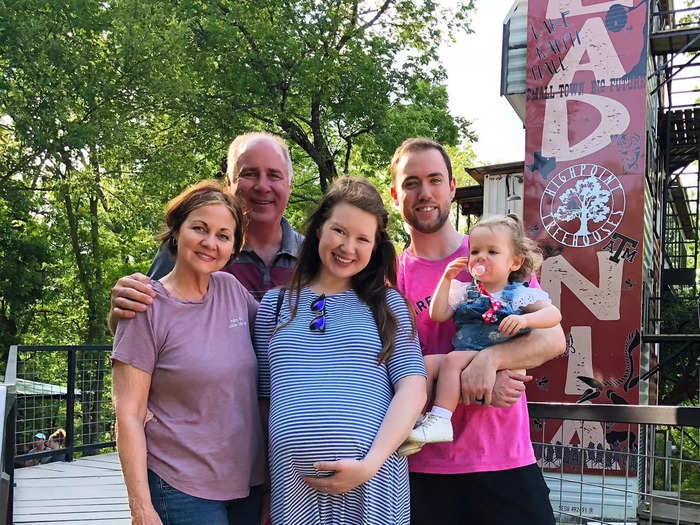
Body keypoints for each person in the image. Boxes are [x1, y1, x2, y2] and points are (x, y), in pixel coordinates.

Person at [390, 138, 565, 524]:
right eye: (411, 182)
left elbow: (553, 337)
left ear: (451, 187)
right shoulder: (389, 274)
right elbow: (382, 370)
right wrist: (471, 378)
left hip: (503, 459)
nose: (424, 193)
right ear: (394, 193)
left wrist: (492, 360)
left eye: (435, 179)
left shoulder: (493, 251)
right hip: (421, 469)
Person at [253, 177, 427, 524]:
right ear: (319, 229)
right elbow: (264, 403)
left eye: (363, 238)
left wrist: (369, 464)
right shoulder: (274, 305)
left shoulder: (387, 304)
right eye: (340, 231)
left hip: (373, 483)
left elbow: (413, 388)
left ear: (375, 246)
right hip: (293, 490)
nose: (349, 247)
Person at [112, 181, 264, 525]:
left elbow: (284, 337)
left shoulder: (233, 291)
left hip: (247, 484)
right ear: (176, 231)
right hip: (179, 485)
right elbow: (129, 416)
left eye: (223, 235)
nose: (210, 243)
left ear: (233, 246)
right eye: (200, 228)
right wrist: (141, 508)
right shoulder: (145, 306)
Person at [108, 131, 303, 334]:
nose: (262, 186)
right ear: (228, 183)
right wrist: (120, 311)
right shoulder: (189, 249)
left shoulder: (315, 257)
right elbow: (144, 323)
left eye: (274, 175)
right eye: (249, 174)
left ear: (290, 185)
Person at [405, 214, 561, 446]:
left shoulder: (518, 293)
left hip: (492, 355)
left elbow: (553, 315)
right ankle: (413, 419)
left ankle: (441, 419)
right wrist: (446, 279)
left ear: (515, 262)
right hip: (468, 352)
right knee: (426, 365)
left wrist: (527, 321)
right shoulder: (466, 291)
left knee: (451, 361)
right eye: (475, 252)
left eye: (492, 252)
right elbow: (437, 314)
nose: (481, 258)